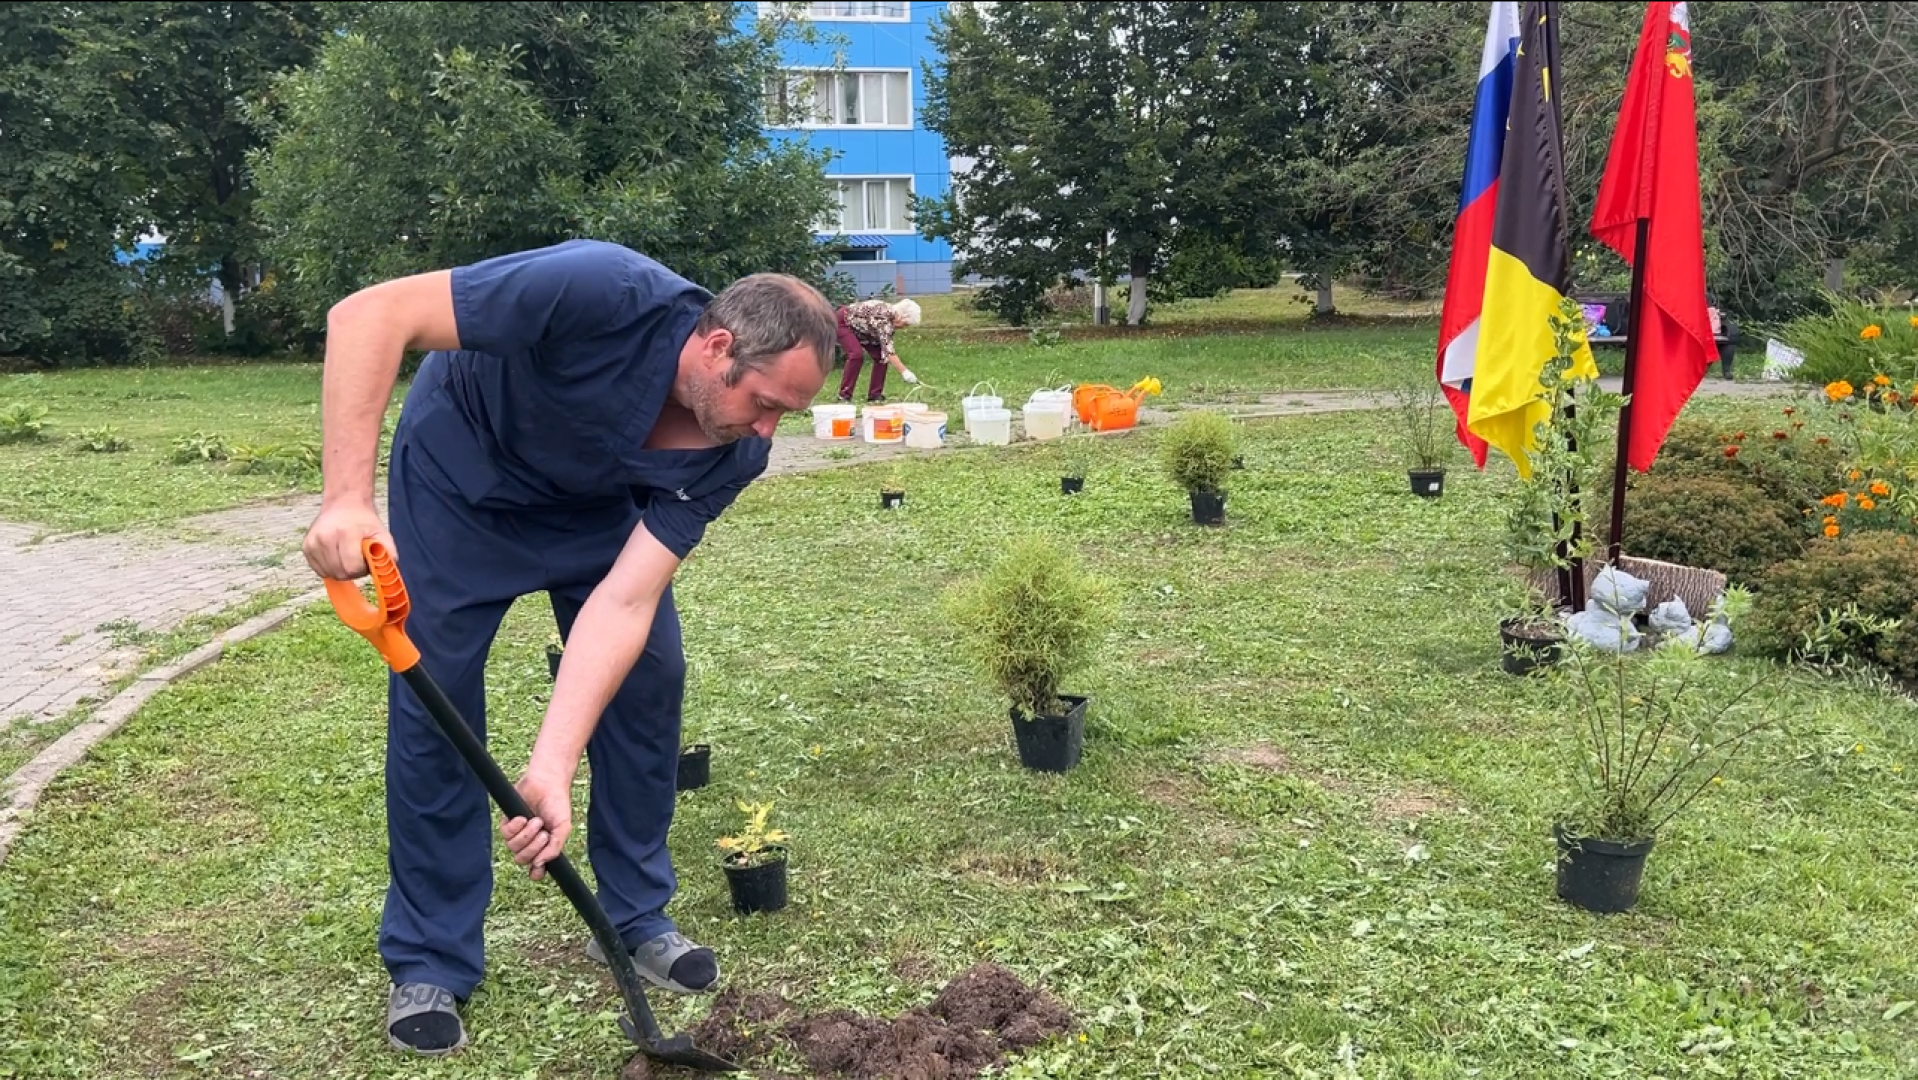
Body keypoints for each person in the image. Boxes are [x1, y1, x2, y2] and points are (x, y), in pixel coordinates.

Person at [300, 238, 837, 1057]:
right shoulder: (599, 291)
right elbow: (371, 314)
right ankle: (432, 957)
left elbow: (625, 601)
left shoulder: (734, 452)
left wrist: (549, 767)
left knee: (649, 674)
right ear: (717, 346)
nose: (766, 430)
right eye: (763, 403)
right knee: (436, 699)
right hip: (461, 484)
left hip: (597, 510)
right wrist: (346, 499)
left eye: (782, 416)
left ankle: (632, 917)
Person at [834, 295, 922, 403]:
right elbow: (889, 351)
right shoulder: (882, 319)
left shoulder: (891, 318)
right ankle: (844, 396)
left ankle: (875, 395)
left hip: (864, 329)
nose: (904, 328)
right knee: (856, 355)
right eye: (905, 324)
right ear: (900, 317)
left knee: (881, 357)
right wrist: (905, 372)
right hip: (844, 322)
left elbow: (885, 349)